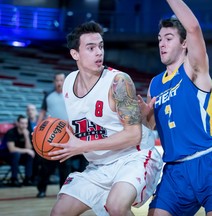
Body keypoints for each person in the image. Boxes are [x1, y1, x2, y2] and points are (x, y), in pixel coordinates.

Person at [47, 21, 163, 216]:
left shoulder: (118, 81)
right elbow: (84, 125)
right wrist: (49, 131)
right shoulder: (68, 83)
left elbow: (133, 136)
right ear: (75, 54)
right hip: (99, 166)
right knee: (59, 212)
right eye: (91, 48)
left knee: (116, 206)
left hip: (133, 157)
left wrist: (81, 146)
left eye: (100, 46)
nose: (99, 52)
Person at [138, 1, 212, 215]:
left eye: (169, 38)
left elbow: (193, 28)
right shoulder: (155, 84)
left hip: (209, 161)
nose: (162, 44)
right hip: (175, 170)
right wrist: (145, 117)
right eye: (159, 39)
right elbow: (151, 125)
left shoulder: (194, 69)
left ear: (184, 44)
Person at [36, 73, 73, 198]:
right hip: (50, 136)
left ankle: (63, 193)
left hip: (66, 136)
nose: (59, 82)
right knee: (46, 166)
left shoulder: (70, 95)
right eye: (57, 80)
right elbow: (42, 113)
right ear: (54, 82)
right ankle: (41, 190)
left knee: (65, 167)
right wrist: (37, 128)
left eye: (61, 80)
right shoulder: (48, 96)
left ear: (64, 81)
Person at [0, 115, 35, 187]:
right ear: (17, 123)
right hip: (5, 154)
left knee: (29, 155)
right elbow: (11, 149)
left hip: (18, 156)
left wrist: (26, 137)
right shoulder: (11, 132)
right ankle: (14, 179)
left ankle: (27, 179)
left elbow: (29, 148)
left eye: (26, 123)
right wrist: (27, 151)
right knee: (16, 154)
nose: (24, 125)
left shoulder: (28, 132)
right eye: (22, 123)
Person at [26, 103, 41, 184]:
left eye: (32, 110)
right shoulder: (24, 123)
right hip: (31, 147)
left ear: (36, 112)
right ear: (26, 112)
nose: (30, 111)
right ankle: (33, 177)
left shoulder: (42, 122)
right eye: (28, 110)